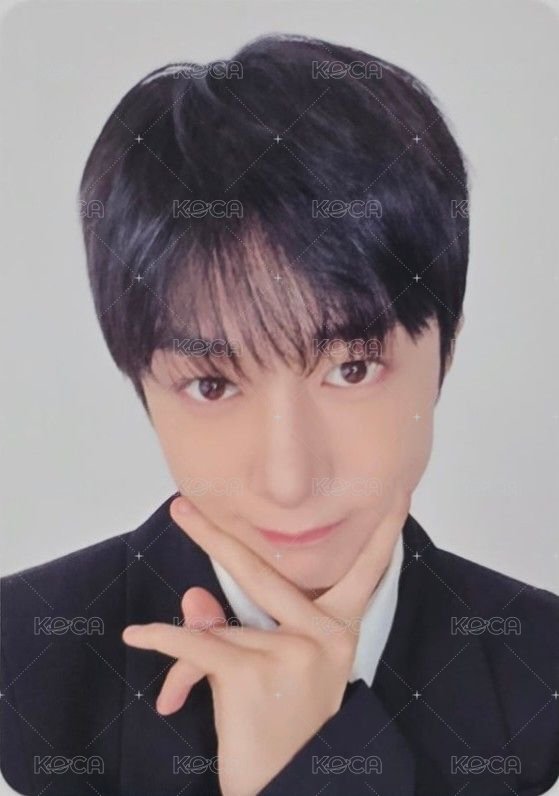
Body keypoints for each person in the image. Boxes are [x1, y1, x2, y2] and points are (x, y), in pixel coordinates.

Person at [1, 32, 558, 796]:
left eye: (350, 369)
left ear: (446, 348)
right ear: (141, 384)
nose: (290, 479)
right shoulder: (20, 664)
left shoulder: (541, 669)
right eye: (212, 385)